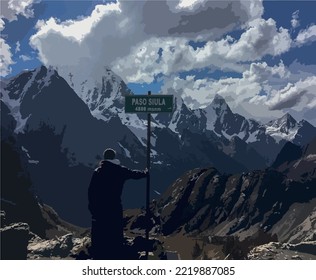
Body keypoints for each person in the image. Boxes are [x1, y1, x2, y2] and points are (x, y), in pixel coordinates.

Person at [88, 148, 147, 260]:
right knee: (114, 230)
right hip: (114, 206)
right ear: (114, 157)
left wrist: (92, 207)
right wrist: (145, 173)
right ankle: (115, 254)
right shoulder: (119, 170)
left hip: (99, 207)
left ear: (104, 157)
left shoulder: (97, 171)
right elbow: (134, 174)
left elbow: (91, 191)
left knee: (99, 231)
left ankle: (98, 255)